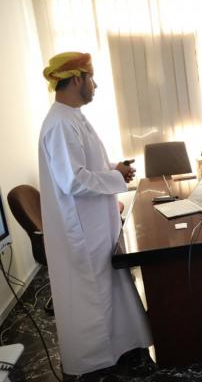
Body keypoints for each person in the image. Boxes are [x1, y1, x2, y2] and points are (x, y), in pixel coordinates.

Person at [38, 52, 152, 376]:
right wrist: (116, 177)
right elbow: (73, 180)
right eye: (92, 78)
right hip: (84, 231)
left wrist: (114, 167)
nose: (96, 85)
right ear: (77, 79)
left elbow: (87, 165)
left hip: (97, 223)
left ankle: (123, 348)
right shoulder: (60, 124)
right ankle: (99, 362)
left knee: (112, 289)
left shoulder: (72, 116)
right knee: (96, 296)